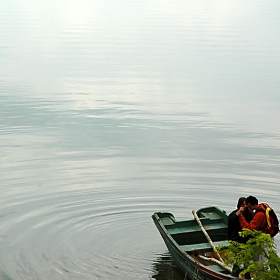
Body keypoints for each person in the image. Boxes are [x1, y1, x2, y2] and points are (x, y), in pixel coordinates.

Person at [228, 197, 253, 279]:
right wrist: (240, 211)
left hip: (246, 241)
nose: (244, 207)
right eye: (243, 205)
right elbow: (231, 220)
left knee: (246, 260)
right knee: (238, 260)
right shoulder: (234, 214)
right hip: (236, 240)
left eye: (246, 205)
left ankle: (247, 277)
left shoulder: (249, 214)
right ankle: (234, 276)